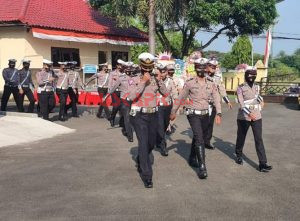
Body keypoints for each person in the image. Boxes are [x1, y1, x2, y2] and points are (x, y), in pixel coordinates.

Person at [170, 58, 222, 179]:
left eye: (203, 67)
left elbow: (216, 98)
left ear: (206, 69)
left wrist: (219, 113)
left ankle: (192, 157)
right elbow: (180, 97)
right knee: (200, 138)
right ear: (195, 68)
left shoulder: (211, 82)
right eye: (199, 67)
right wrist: (173, 111)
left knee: (199, 137)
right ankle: (202, 167)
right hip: (193, 114)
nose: (201, 69)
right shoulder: (190, 83)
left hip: (205, 114)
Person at [128, 52, 168, 188]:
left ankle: (141, 157)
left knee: (151, 143)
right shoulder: (134, 79)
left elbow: (166, 93)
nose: (147, 70)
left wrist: (159, 79)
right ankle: (147, 176)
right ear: (140, 66)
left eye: (149, 67)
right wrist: (143, 82)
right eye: (145, 67)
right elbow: (131, 96)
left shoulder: (156, 79)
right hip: (139, 115)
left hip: (153, 115)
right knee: (144, 143)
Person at [235, 66, 272, 172]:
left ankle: (263, 163)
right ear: (246, 75)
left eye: (254, 74)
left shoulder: (257, 86)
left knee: (258, 139)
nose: (252, 76)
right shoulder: (240, 87)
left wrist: (262, 100)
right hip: (244, 117)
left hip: (257, 115)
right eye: (250, 74)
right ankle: (238, 155)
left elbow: (257, 96)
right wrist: (249, 114)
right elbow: (241, 103)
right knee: (241, 137)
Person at [205, 58, 233, 149]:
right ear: (207, 66)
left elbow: (222, 89)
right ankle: (200, 141)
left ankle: (207, 141)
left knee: (209, 124)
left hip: (212, 104)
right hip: (202, 104)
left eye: (214, 66)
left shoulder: (217, 78)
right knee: (201, 123)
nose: (213, 68)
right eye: (211, 66)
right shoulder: (202, 76)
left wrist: (227, 101)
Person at [108, 62, 138, 142]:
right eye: (127, 68)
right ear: (124, 69)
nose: (129, 69)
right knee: (127, 118)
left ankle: (125, 128)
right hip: (124, 100)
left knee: (133, 117)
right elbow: (113, 88)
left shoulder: (136, 78)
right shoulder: (121, 78)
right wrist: (108, 94)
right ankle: (130, 135)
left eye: (130, 68)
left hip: (134, 101)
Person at [156, 63, 178, 156]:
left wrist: (176, 108)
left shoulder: (171, 81)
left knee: (164, 126)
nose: (162, 73)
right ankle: (163, 146)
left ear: (166, 72)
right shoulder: (154, 81)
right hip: (158, 107)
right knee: (160, 127)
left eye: (163, 71)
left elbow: (175, 94)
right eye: (160, 71)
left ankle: (158, 141)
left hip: (168, 106)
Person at [108, 60, 124, 127]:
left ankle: (121, 122)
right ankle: (112, 118)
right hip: (114, 91)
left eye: (122, 65)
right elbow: (110, 82)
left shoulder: (124, 73)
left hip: (122, 91)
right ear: (117, 65)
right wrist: (109, 91)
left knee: (122, 107)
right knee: (115, 106)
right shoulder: (112, 73)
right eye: (119, 65)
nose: (121, 66)